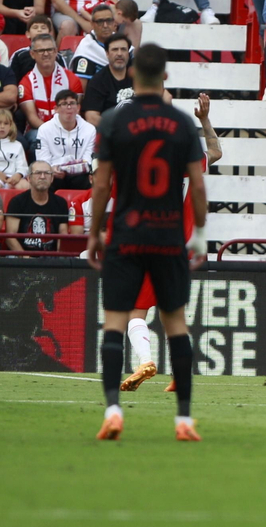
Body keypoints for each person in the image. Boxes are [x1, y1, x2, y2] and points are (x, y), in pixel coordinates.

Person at [87, 42, 209, 442]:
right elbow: (198, 185)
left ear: (134, 74)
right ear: (166, 76)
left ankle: (112, 412)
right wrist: (201, 235)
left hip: (127, 234)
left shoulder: (111, 122)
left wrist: (95, 231)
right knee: (176, 324)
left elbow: (102, 183)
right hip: (169, 235)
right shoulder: (180, 124)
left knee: (115, 323)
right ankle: (185, 420)